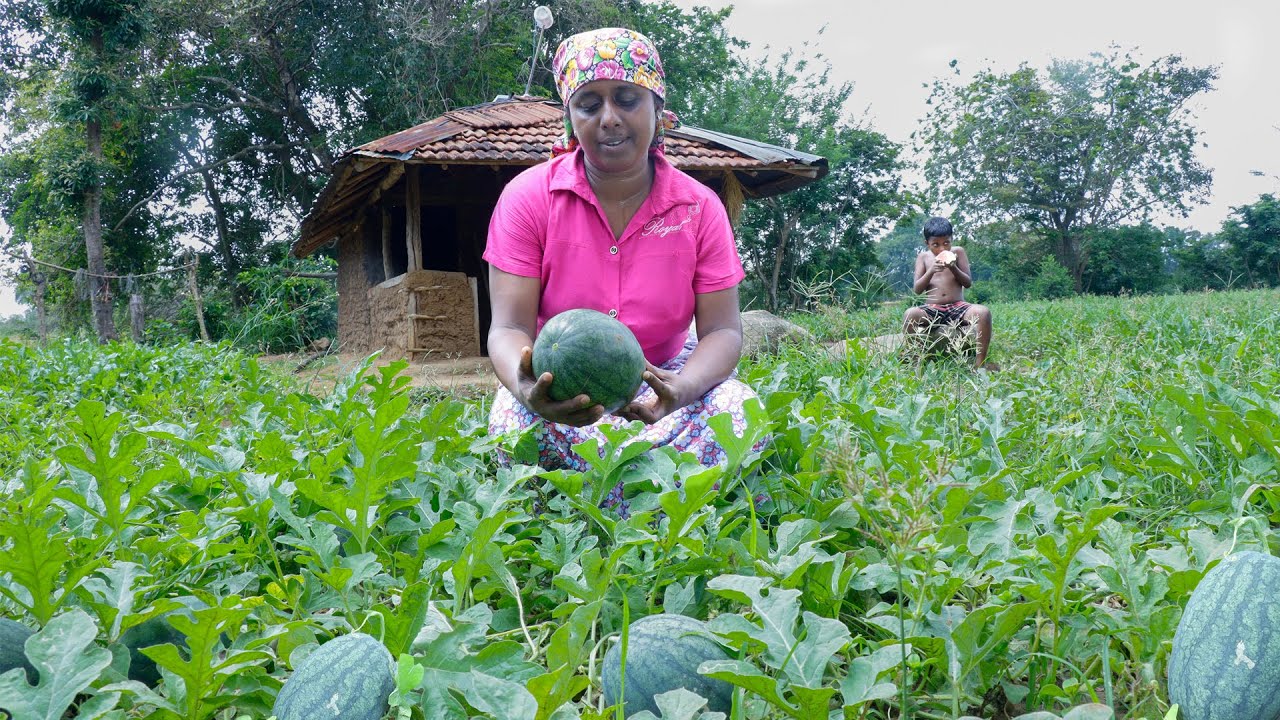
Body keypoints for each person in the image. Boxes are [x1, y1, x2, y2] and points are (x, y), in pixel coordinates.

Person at [483, 27, 764, 480]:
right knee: (512, 428)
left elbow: (723, 331)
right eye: (588, 104)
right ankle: (650, 489)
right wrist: (527, 388)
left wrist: (684, 387)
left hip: (666, 374)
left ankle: (611, 492)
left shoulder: (699, 207)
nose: (609, 118)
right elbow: (509, 328)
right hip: (565, 389)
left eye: (627, 99)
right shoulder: (528, 198)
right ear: (570, 118)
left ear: (658, 109)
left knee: (738, 413)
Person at [902, 216, 995, 369]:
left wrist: (953, 267)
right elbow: (917, 289)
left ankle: (980, 364)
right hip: (932, 309)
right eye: (936, 244)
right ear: (927, 243)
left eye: (946, 243)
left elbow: (967, 283)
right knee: (909, 314)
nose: (942, 249)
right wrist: (931, 270)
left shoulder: (958, 252)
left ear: (952, 239)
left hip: (958, 306)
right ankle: (916, 361)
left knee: (983, 312)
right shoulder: (923, 257)